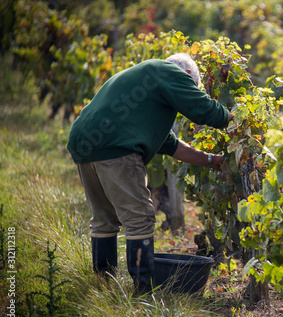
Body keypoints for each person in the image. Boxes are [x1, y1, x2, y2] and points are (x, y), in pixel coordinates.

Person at [67, 53, 234, 294]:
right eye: (191, 86)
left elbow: (171, 145)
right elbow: (204, 110)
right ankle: (142, 290)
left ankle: (103, 285)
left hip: (84, 142)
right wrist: (236, 120)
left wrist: (211, 160)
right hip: (117, 146)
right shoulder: (172, 72)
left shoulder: (148, 82)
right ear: (187, 76)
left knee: (104, 220)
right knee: (140, 219)